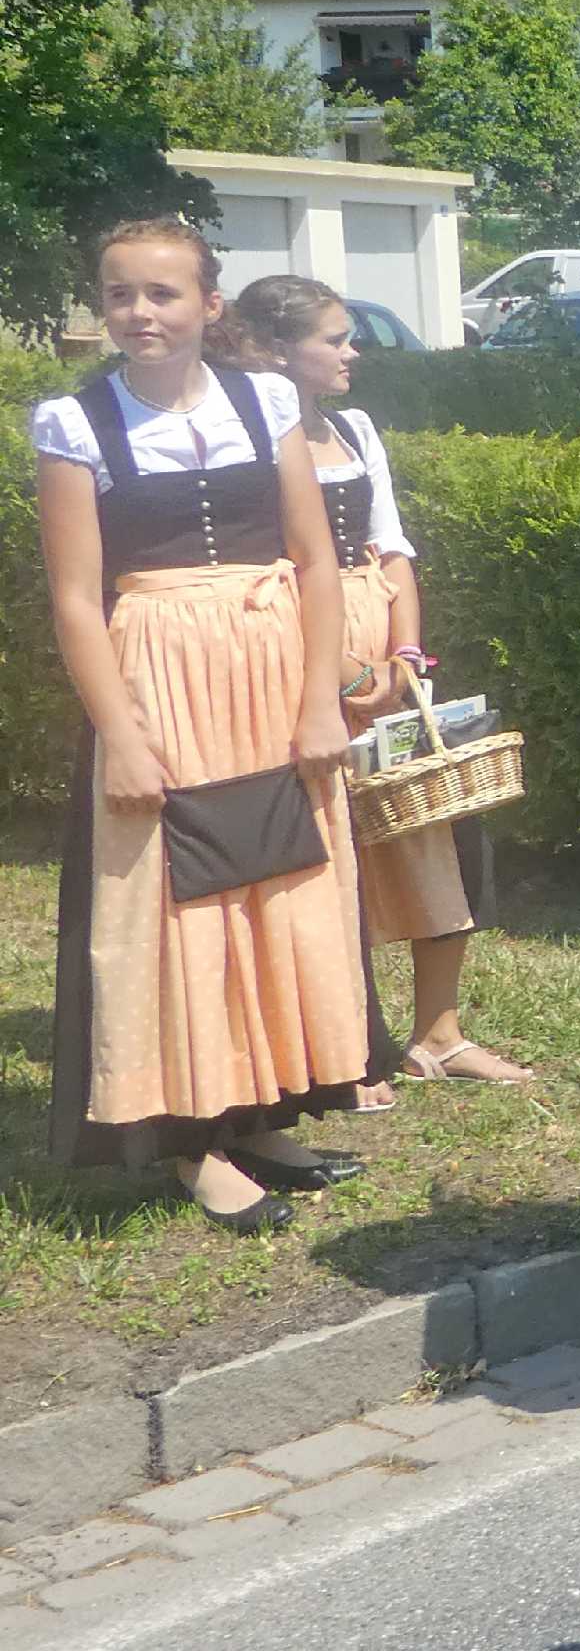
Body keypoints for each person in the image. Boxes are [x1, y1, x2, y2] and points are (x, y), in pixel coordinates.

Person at [34, 220, 380, 1231]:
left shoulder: (264, 401)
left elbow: (315, 559)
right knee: (177, 904)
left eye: (163, 293)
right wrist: (121, 736)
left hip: (269, 671)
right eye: (121, 293)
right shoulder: (75, 422)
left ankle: (264, 1111)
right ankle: (192, 1139)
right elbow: (75, 599)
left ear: (209, 305)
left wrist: (318, 699)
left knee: (279, 885)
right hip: (160, 678)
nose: (140, 312)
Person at [234, 275, 530, 1091]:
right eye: (334, 338)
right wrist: (340, 669)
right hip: (298, 649)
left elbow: (392, 549)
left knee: (435, 827)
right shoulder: (246, 440)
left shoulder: (355, 429)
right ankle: (343, 1050)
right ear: (276, 349)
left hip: (382, 653)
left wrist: (405, 658)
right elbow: (268, 566)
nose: (352, 351)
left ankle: (439, 1033)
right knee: (330, 852)